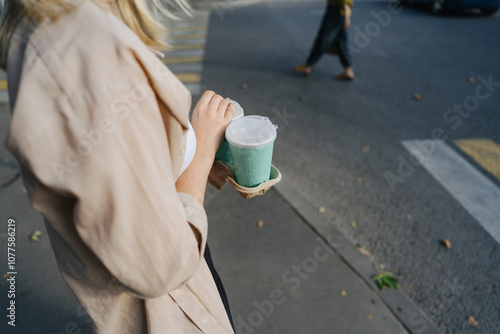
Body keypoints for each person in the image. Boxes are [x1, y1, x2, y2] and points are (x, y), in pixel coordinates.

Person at [0, 0, 236, 333]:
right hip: (167, 306)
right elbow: (161, 265)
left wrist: (189, 153)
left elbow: (114, 165)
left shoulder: (43, 23)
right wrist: (201, 154)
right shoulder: (89, 51)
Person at [294, 0, 354, 80]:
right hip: (339, 12)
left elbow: (345, 1)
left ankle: (307, 66)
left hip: (336, 11)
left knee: (323, 40)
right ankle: (348, 70)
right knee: (342, 42)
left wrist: (347, 18)